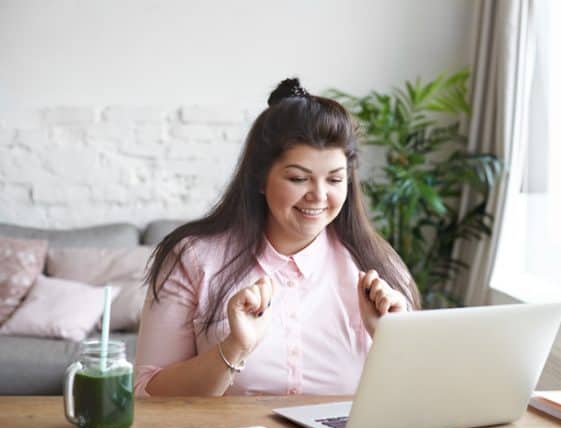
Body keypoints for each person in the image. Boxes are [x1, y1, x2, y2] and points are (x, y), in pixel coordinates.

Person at [134, 78, 421, 397]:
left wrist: (390, 340)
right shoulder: (193, 258)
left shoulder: (380, 266)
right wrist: (235, 347)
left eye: (335, 179)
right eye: (299, 178)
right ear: (260, 178)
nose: (319, 195)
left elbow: (415, 403)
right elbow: (145, 392)